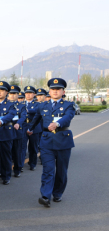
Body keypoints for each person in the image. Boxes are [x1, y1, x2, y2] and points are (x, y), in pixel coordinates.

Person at [29, 78, 75, 207]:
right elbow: (36, 119)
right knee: (48, 169)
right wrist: (29, 129)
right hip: (46, 141)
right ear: (49, 91)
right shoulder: (42, 105)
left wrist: (57, 123)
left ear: (63, 91)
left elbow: (68, 117)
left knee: (61, 171)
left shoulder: (69, 105)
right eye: (53, 89)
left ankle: (58, 193)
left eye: (58, 89)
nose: (55, 91)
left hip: (63, 141)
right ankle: (45, 195)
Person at [0, 81, 17, 185]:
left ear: (6, 92)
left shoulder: (11, 105)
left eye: (2, 90)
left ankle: (6, 175)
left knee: (5, 156)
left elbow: (11, 115)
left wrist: (1, 121)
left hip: (5, 133)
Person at [8, 86, 27, 177]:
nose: (12, 96)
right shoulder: (4, 105)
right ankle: (5, 171)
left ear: (17, 95)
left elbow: (23, 117)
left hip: (16, 130)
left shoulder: (21, 106)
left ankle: (17, 169)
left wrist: (18, 123)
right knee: (6, 152)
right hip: (5, 131)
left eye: (14, 94)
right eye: (11, 93)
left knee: (17, 151)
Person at [23, 86, 42, 171]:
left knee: (33, 147)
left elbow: (37, 111)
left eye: (30, 93)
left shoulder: (38, 104)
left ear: (34, 94)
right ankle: (20, 165)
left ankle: (32, 163)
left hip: (35, 126)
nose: (28, 95)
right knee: (22, 147)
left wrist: (27, 110)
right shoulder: (21, 103)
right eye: (26, 93)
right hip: (23, 126)